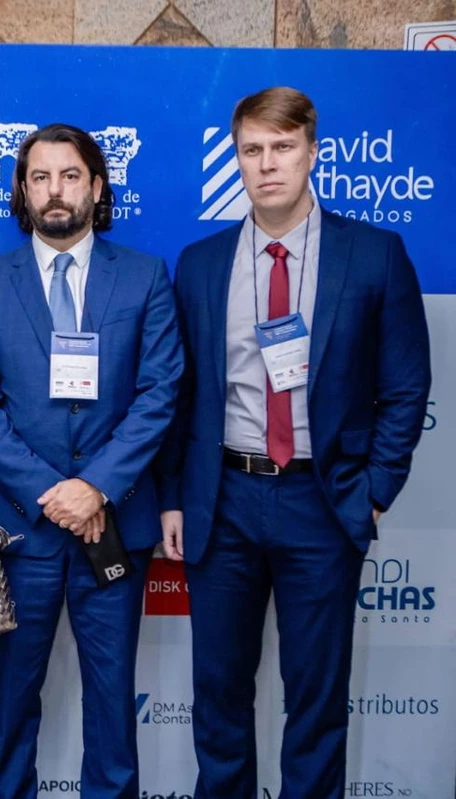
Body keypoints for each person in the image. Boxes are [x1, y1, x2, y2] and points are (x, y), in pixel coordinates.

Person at [157, 87, 431, 799]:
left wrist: (373, 492)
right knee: (218, 692)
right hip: (225, 496)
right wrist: (173, 498)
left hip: (324, 498)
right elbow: (177, 395)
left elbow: (405, 386)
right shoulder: (200, 263)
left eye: (282, 148)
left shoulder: (373, 255)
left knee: (316, 697)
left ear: (313, 152)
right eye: (252, 150)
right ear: (237, 159)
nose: (267, 164)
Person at [0, 123, 183, 799]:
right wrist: (56, 492)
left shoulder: (143, 276)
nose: (57, 191)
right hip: (23, 531)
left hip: (113, 524)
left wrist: (96, 488)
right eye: (41, 177)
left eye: (71, 175)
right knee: (14, 696)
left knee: (112, 702)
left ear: (97, 186)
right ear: (23, 190)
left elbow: (160, 391)